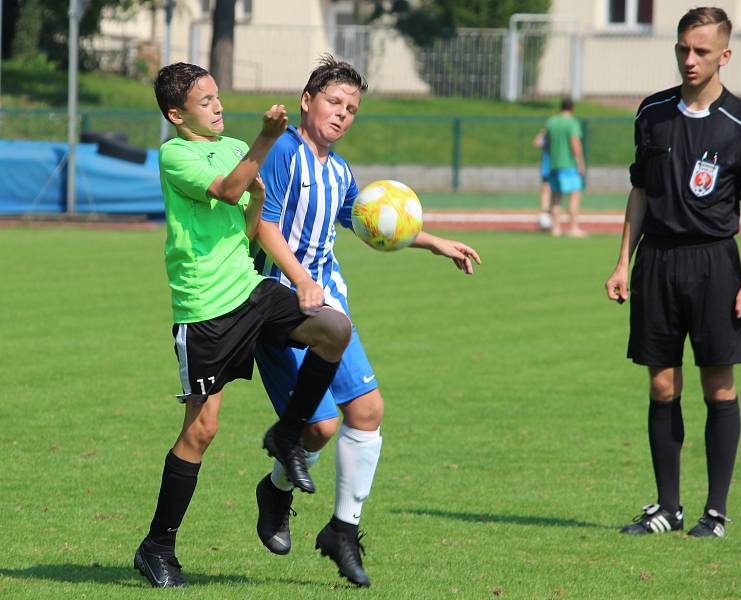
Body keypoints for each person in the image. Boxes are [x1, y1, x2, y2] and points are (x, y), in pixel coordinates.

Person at [252, 55, 481, 588]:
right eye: (334, 102)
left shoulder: (338, 171)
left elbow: (371, 221)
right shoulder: (283, 151)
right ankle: (275, 490)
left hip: (330, 307)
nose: (342, 114)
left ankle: (343, 531)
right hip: (280, 304)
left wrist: (431, 242)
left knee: (368, 410)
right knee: (319, 427)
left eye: (352, 109)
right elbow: (264, 226)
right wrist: (299, 278)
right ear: (308, 101)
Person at [134, 62, 352, 588]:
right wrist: (265, 140)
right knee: (202, 430)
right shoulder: (175, 154)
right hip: (205, 308)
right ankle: (157, 546)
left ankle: (287, 433)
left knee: (335, 330)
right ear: (175, 113)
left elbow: (250, 223)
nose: (217, 107)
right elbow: (229, 191)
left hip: (249, 289)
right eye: (204, 101)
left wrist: (258, 195)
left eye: (216, 97)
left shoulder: (234, 147)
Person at [605, 7, 741, 538]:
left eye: (701, 51)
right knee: (660, 385)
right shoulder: (651, 112)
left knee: (718, 388)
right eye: (683, 48)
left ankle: (714, 512)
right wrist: (623, 261)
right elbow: (640, 191)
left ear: (725, 55)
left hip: (717, 263)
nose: (689, 59)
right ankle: (667, 509)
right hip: (657, 260)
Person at [544, 98, 586, 237]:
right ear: (572, 108)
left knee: (556, 197)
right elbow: (575, 142)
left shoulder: (551, 122)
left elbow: (545, 143)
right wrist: (580, 162)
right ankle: (573, 228)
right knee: (574, 196)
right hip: (569, 165)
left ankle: (555, 228)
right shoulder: (572, 122)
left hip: (554, 164)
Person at [533, 128, 553, 231]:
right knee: (546, 188)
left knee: (555, 191)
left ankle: (551, 215)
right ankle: (545, 214)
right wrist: (542, 133)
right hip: (547, 166)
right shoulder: (547, 135)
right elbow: (537, 143)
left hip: (557, 166)